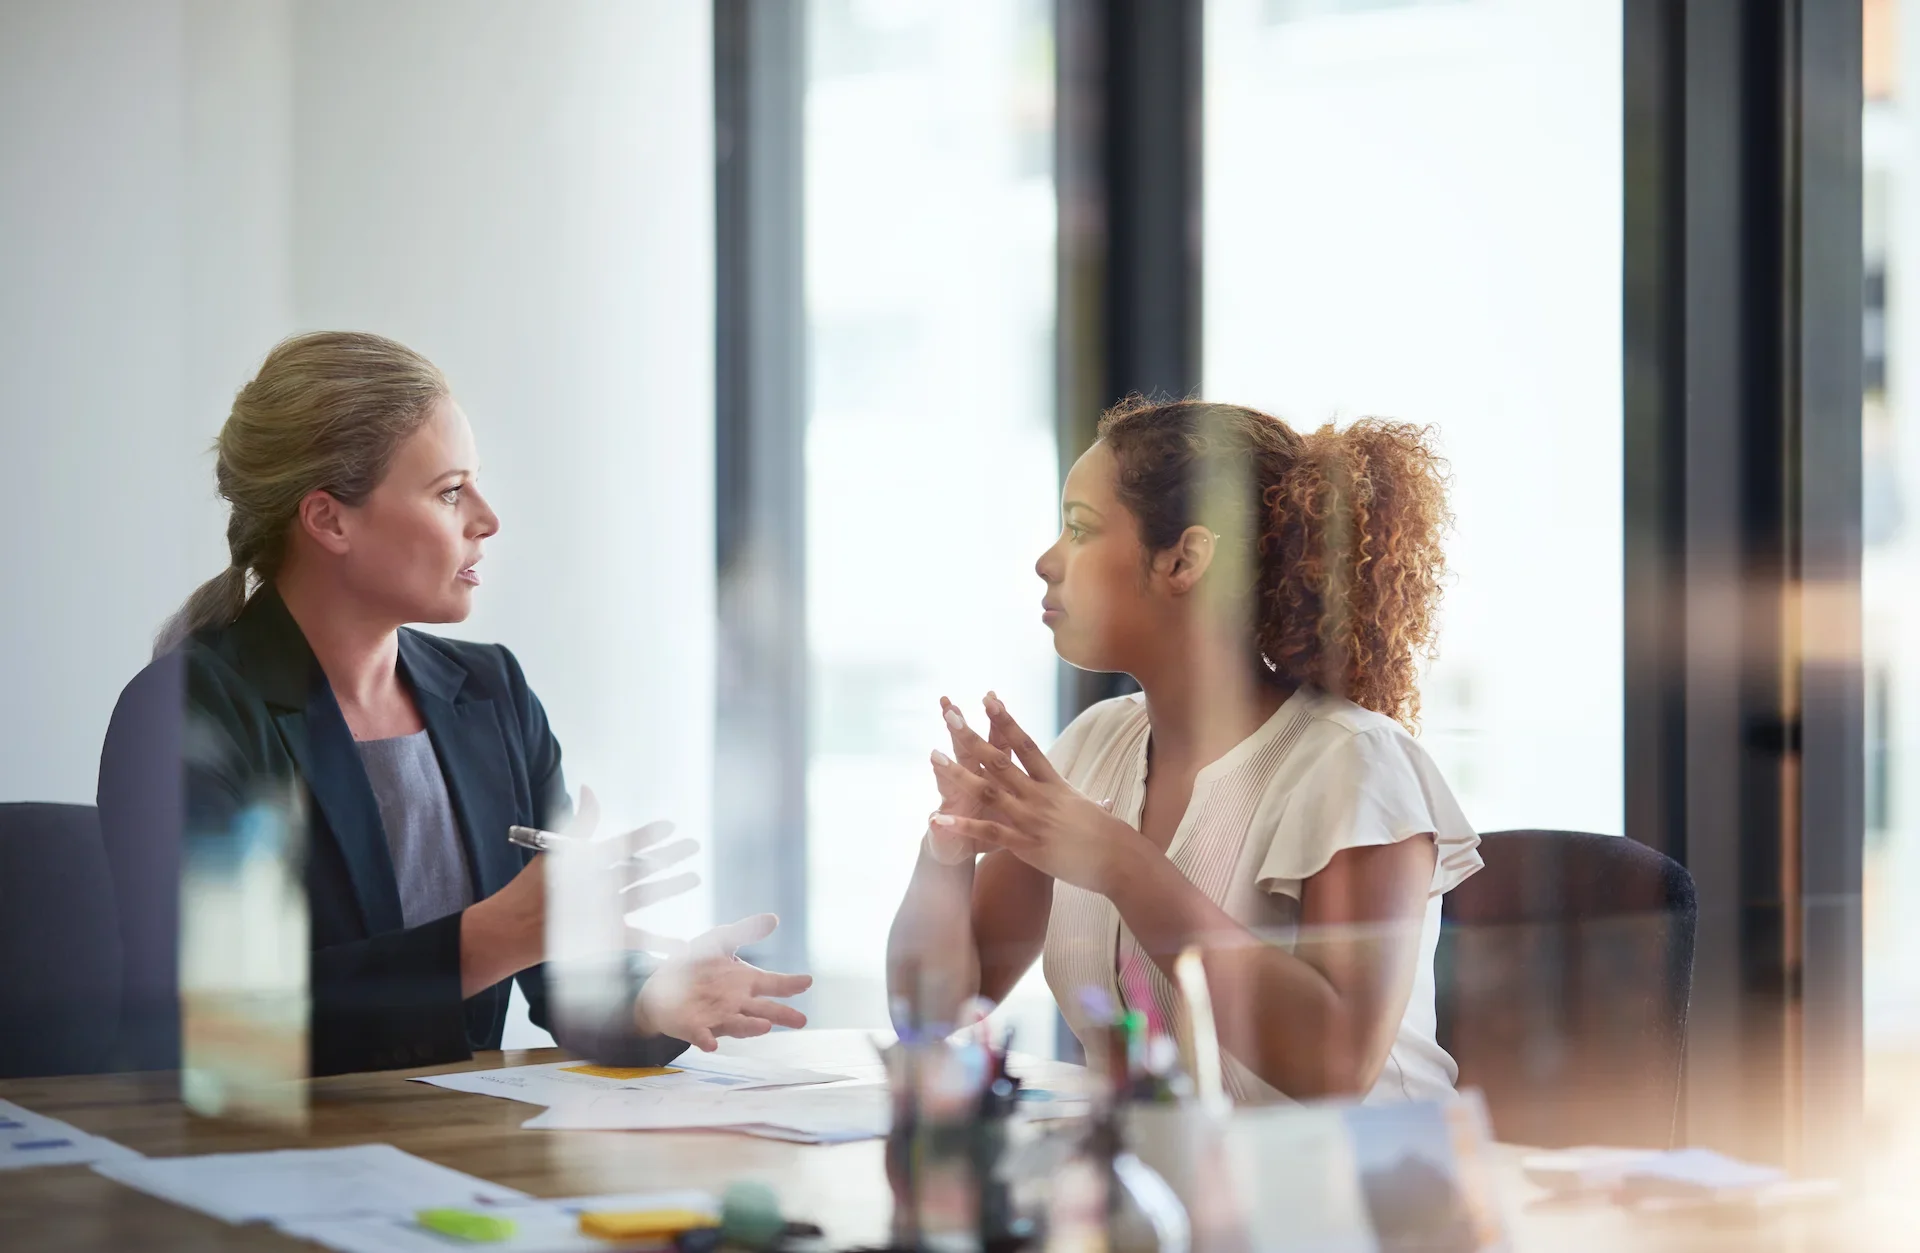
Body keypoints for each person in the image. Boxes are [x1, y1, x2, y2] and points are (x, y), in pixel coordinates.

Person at [110, 330, 808, 1077]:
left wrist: (649, 997)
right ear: (329, 520)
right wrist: (489, 939)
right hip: (256, 1161)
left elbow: (562, 974)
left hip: (457, 1148)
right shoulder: (186, 712)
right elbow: (226, 1023)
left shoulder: (492, 694)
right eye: (450, 491)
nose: (486, 517)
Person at [886, 398, 1480, 1103]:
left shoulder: (1356, 763)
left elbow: (1337, 1064)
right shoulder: (1094, 747)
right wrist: (947, 851)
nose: (1048, 561)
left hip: (1368, 1198)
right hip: (1171, 1190)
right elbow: (932, 1014)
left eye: (1080, 528)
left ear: (1183, 559)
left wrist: (1118, 862)